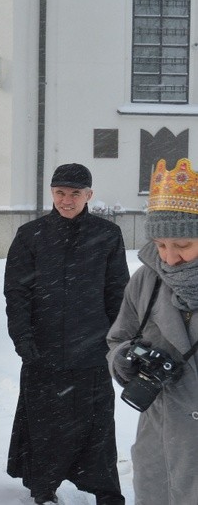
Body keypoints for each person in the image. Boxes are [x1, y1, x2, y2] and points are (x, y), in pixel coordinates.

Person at [4, 163, 129, 505]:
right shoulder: (31, 235)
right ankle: (44, 487)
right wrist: (23, 339)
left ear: (89, 195)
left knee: (97, 425)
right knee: (46, 424)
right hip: (42, 350)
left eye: (75, 193)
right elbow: (17, 293)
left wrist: (116, 340)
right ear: (51, 193)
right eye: (60, 192)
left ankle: (105, 488)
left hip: (93, 348)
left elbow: (118, 292)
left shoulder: (107, 235)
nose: (66, 200)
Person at [107, 158, 198, 505]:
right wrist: (124, 358)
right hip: (159, 442)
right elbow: (118, 337)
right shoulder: (146, 280)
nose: (169, 258)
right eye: (160, 245)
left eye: (183, 245)